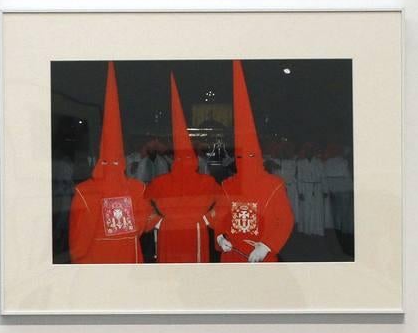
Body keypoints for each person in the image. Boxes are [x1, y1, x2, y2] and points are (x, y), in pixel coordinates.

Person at [67, 61, 152, 263]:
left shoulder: (85, 192)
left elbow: (79, 243)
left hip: (97, 263)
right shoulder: (137, 189)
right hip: (128, 263)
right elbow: (144, 226)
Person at [209, 61, 295, 262]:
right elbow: (220, 216)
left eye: (249, 158)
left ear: (258, 157)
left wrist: (266, 246)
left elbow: (285, 220)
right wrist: (220, 237)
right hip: (232, 255)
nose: (244, 163)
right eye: (239, 158)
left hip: (261, 255)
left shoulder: (274, 185)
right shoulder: (229, 185)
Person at [146, 75, 228, 262]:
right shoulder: (205, 181)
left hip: (180, 231)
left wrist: (156, 221)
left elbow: (142, 204)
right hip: (183, 230)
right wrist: (208, 219)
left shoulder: (161, 182)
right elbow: (224, 203)